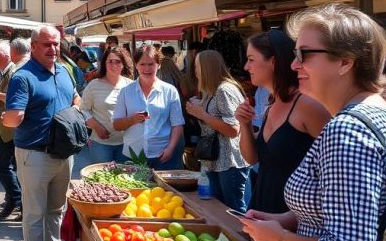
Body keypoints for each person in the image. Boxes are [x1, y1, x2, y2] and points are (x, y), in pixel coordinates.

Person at [241, 4, 386, 241]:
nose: (294, 65)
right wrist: (287, 220)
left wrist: (280, 238)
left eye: (304, 54)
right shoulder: (371, 115)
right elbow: (350, 211)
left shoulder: (347, 129)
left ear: (346, 62)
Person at [3, 24, 81, 241]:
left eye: (56, 43)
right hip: (34, 154)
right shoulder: (23, 77)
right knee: (35, 214)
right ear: (34, 46)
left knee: (56, 210)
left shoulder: (63, 71)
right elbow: (14, 116)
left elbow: (76, 99)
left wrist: (72, 119)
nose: (53, 49)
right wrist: (11, 118)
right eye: (47, 44)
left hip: (63, 154)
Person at [233, 29, 329, 214]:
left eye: (251, 59)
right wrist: (244, 125)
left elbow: (333, 170)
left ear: (273, 62)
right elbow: (253, 159)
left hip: (294, 218)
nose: (246, 67)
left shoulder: (306, 105)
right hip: (264, 210)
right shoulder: (272, 105)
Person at [184, 50, 250, 213]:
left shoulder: (224, 90)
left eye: (197, 66)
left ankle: (243, 239)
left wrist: (202, 114)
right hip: (215, 161)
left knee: (233, 210)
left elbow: (234, 129)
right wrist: (200, 107)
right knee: (219, 208)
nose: (195, 71)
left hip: (229, 162)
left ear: (206, 68)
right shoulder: (211, 90)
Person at [113, 45, 185, 170]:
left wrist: (170, 148)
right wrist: (132, 120)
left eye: (151, 64)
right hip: (133, 156)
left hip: (163, 155)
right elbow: (116, 125)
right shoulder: (126, 92)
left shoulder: (169, 91)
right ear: (136, 65)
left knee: (163, 190)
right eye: (142, 64)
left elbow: (177, 124)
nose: (147, 68)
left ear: (158, 65)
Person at [0, 39, 29, 221]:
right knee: (8, 166)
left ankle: (16, 199)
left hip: (9, 128)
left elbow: (14, 99)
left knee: (2, 166)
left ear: (2, 56)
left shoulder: (13, 72)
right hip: (4, 126)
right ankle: (15, 200)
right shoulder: (6, 71)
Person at [81, 47, 134, 164]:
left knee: (124, 180)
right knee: (101, 180)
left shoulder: (132, 86)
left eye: (117, 61)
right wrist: (96, 126)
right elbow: (83, 109)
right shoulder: (94, 85)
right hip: (100, 144)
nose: (113, 65)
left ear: (124, 64)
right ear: (104, 63)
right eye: (110, 61)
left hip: (126, 143)